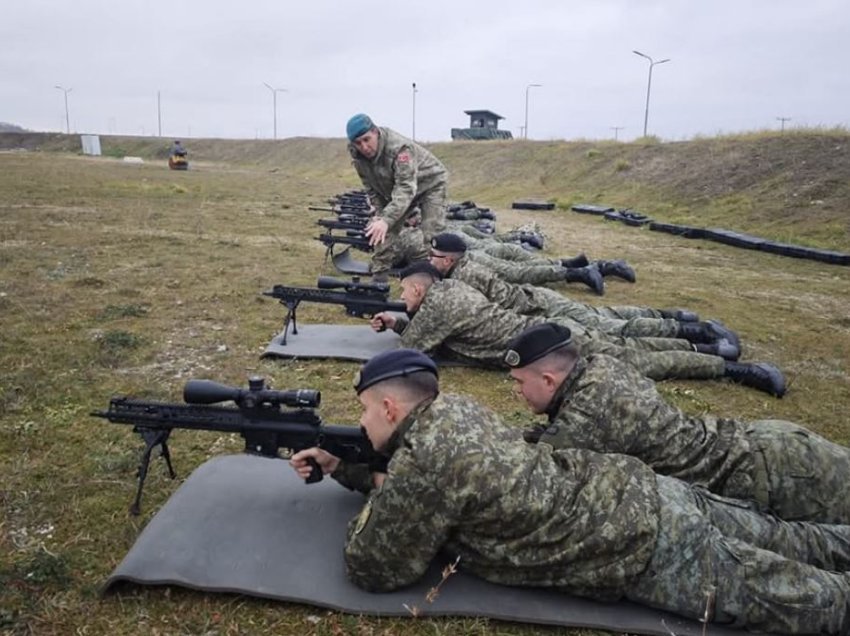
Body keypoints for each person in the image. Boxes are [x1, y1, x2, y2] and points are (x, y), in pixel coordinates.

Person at [290, 348, 850, 634]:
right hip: (645, 492)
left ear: (391, 407)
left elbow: (374, 566)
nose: (361, 423)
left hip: (644, 545)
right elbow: (428, 479)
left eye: (365, 411)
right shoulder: (454, 411)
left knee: (815, 601)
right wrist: (353, 466)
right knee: (806, 543)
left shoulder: (427, 460)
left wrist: (370, 489)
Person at [505, 322, 850, 524]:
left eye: (520, 383)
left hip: (774, 477)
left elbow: (529, 472)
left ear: (549, 380)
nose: (517, 392)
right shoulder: (599, 368)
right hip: (765, 441)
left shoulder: (587, 415)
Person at [370, 262, 785, 396]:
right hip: (549, 331)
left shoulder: (441, 303)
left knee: (636, 361)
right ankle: (708, 345)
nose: (402, 297)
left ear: (421, 288)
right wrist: (398, 316)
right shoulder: (448, 292)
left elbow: (414, 350)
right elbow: (427, 329)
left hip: (549, 346)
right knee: (623, 340)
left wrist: (397, 322)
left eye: (405, 292)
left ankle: (728, 367)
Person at [428, 232, 730, 342]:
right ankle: (676, 316)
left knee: (613, 329)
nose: (430, 260)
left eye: (434, 256)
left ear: (450, 259)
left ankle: (695, 331)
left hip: (543, 306)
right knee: (610, 315)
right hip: (541, 303)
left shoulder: (466, 276)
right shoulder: (460, 270)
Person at [346, 113, 448, 281]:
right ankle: (378, 282)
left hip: (430, 184)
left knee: (431, 234)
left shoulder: (400, 149)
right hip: (399, 190)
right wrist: (381, 219)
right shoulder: (358, 158)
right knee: (379, 230)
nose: (364, 147)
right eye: (358, 143)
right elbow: (372, 190)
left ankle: (435, 284)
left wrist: (386, 219)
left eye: (367, 139)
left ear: (376, 132)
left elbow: (406, 188)